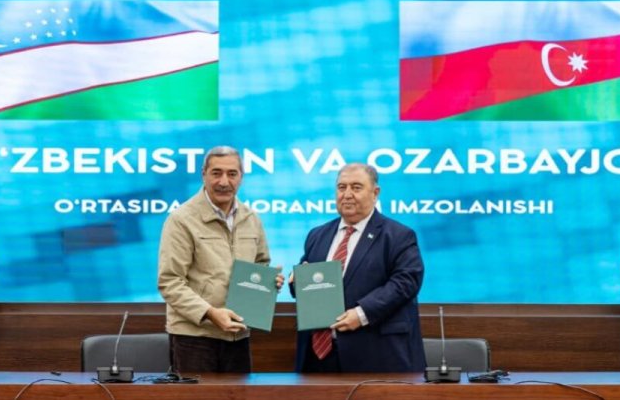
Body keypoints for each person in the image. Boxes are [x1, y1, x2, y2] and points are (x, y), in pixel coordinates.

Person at [158, 146, 283, 373]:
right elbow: (170, 282)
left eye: (232, 174)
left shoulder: (251, 218)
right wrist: (210, 313)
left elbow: (260, 265)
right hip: (194, 337)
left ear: (241, 177)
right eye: (216, 173)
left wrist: (269, 283)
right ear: (203, 174)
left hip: (238, 335)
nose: (224, 181)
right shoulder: (181, 219)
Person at [292, 163, 425, 372]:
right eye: (341, 187)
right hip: (319, 359)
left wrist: (362, 314)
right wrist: (297, 280)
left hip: (374, 355)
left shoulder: (399, 235)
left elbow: (406, 282)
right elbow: (309, 280)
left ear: (375, 193)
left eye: (356, 187)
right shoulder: (317, 235)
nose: (347, 194)